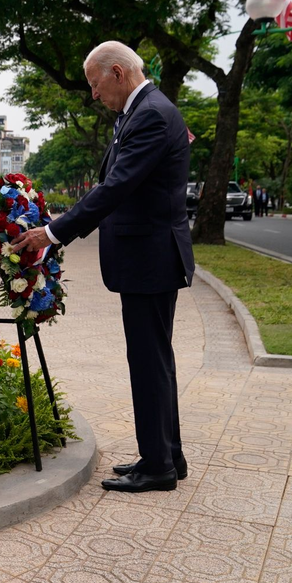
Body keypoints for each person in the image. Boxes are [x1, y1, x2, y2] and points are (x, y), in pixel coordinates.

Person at [12, 41, 194, 493]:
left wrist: (53, 233)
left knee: (149, 361)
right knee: (155, 359)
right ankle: (166, 455)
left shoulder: (150, 114)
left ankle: (159, 468)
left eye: (95, 84)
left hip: (149, 257)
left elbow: (115, 187)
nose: (93, 94)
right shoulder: (137, 113)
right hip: (147, 257)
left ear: (117, 72)